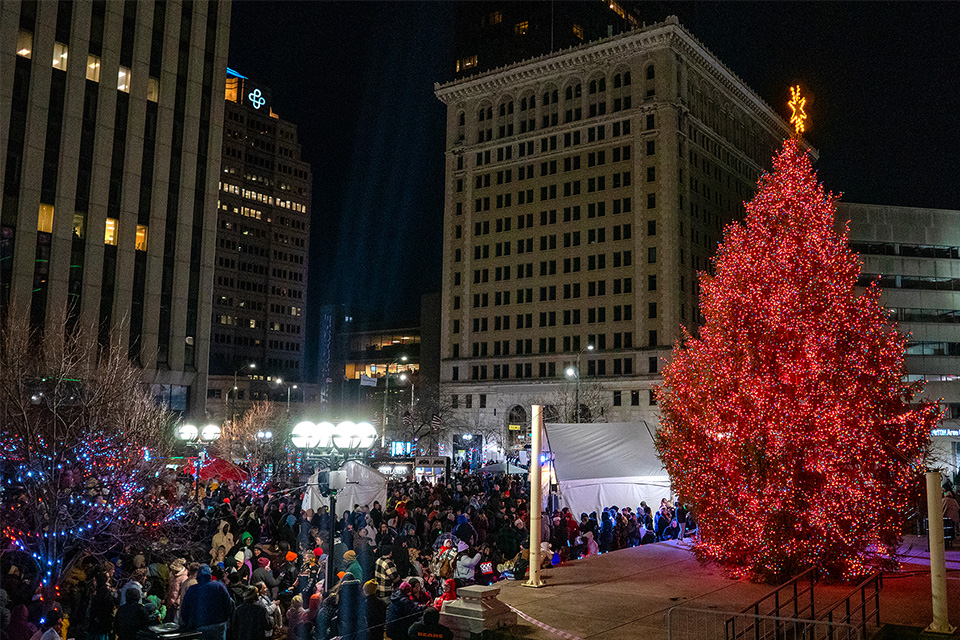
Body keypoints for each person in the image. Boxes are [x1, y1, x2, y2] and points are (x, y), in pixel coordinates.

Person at [180, 564, 235, 640]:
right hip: (218, 625)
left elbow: (185, 609)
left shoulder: (192, 589)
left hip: (199, 625)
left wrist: (187, 623)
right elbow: (228, 604)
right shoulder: (218, 586)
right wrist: (226, 618)